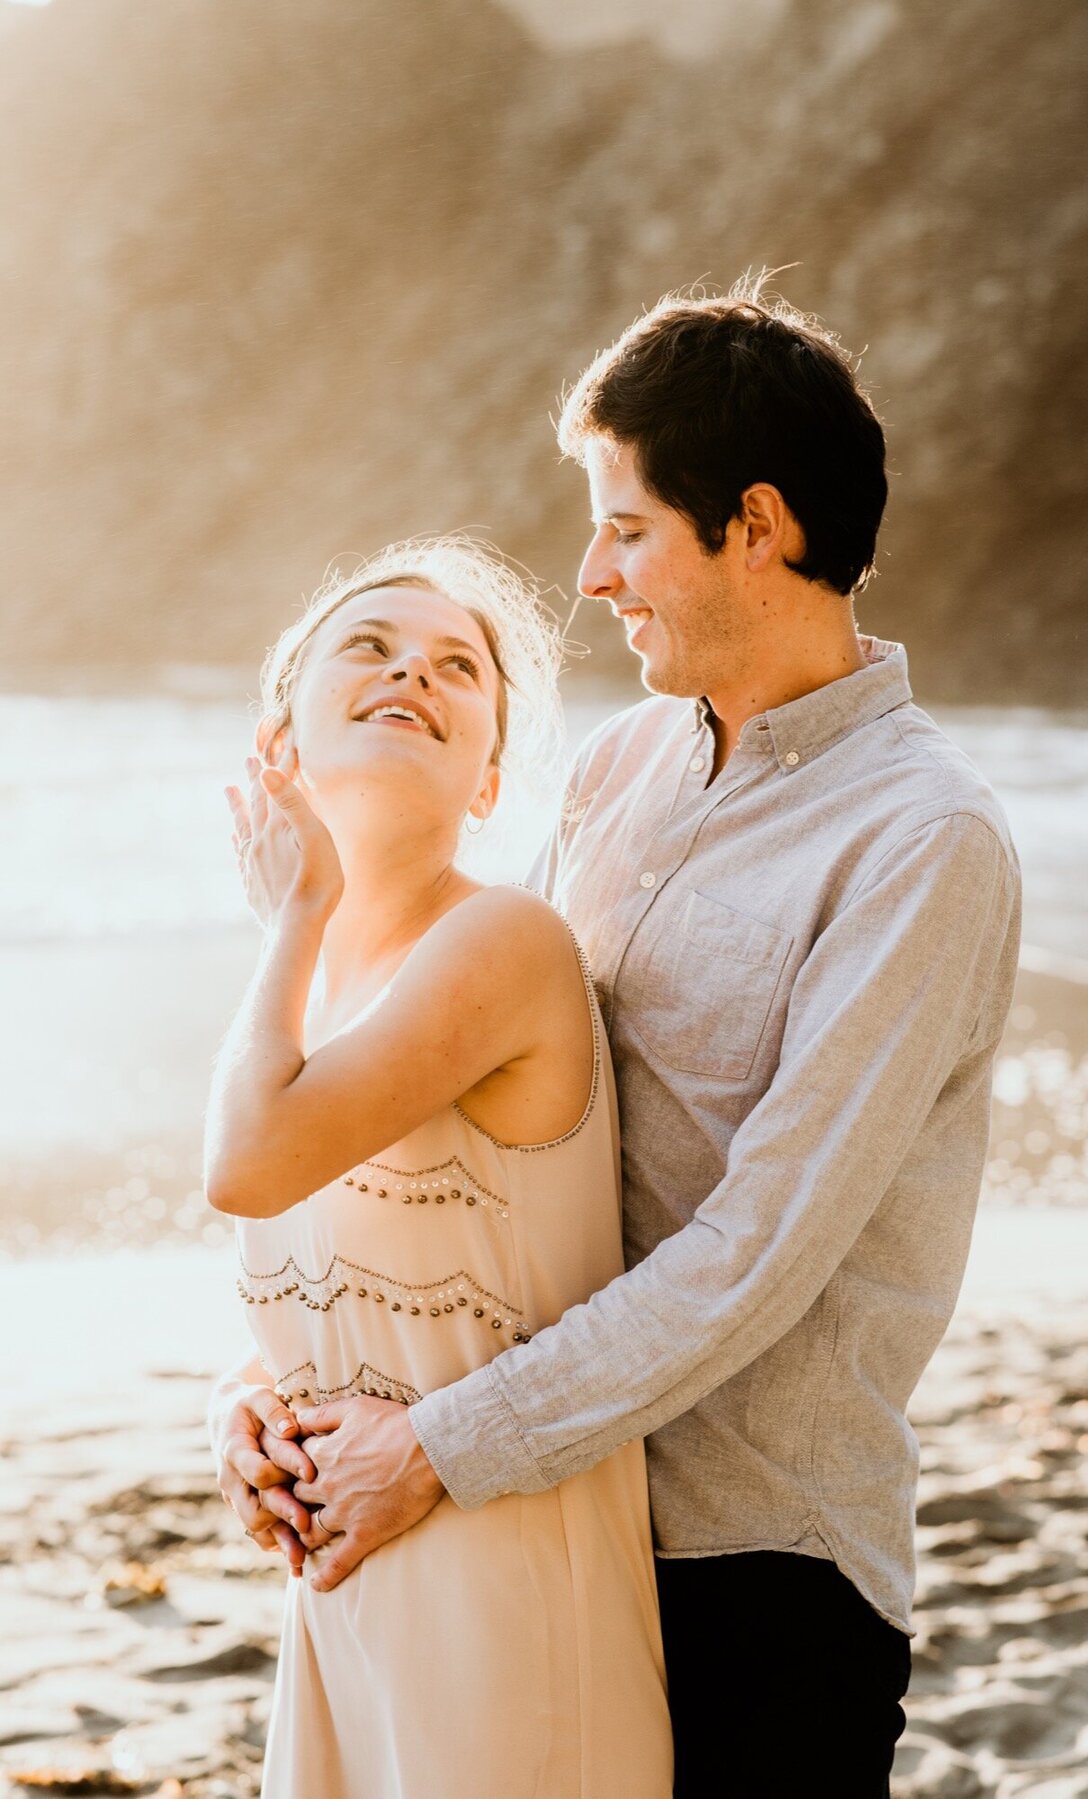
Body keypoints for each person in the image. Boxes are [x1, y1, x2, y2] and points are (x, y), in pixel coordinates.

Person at [218, 278, 1022, 1796]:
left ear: (759, 526)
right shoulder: (621, 768)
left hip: (754, 1561)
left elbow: (755, 1253)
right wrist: (260, 1394)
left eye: (628, 527)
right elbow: (466, 1145)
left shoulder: (926, 843)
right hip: (543, 1522)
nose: (589, 574)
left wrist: (432, 1448)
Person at [205, 537, 673, 1797]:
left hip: (507, 1598)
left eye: (458, 666)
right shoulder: (295, 995)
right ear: (279, 739)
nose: (414, 668)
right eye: (370, 644)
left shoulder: (504, 943)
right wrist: (243, 1400)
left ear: (486, 781)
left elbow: (246, 1164)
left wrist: (294, 913)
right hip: (348, 1586)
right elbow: (338, 1270)